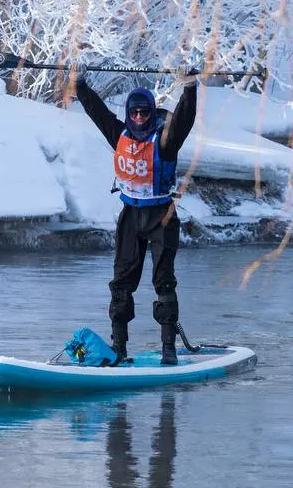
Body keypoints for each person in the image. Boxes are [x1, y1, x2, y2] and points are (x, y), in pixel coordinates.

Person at [72, 65, 198, 365]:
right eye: (135, 113)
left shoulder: (165, 141)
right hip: (130, 217)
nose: (139, 118)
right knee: (121, 284)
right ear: (129, 114)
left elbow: (184, 119)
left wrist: (190, 87)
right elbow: (97, 112)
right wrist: (79, 84)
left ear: (152, 113)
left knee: (163, 281)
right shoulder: (120, 135)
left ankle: (168, 350)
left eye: (145, 113)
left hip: (162, 218)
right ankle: (120, 350)